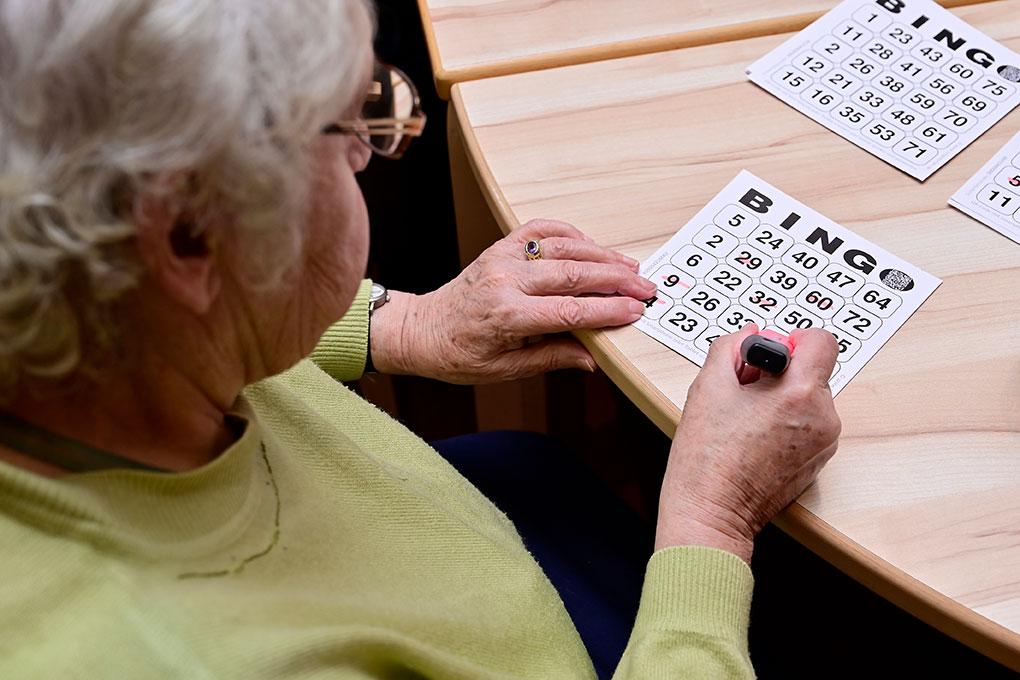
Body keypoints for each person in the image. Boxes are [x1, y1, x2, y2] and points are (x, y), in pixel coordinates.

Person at [0, 0, 841, 677]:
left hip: (465, 531)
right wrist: (711, 523)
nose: (374, 153)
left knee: (537, 469)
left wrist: (394, 323)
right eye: (349, 126)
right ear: (190, 236)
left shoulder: (81, 300)